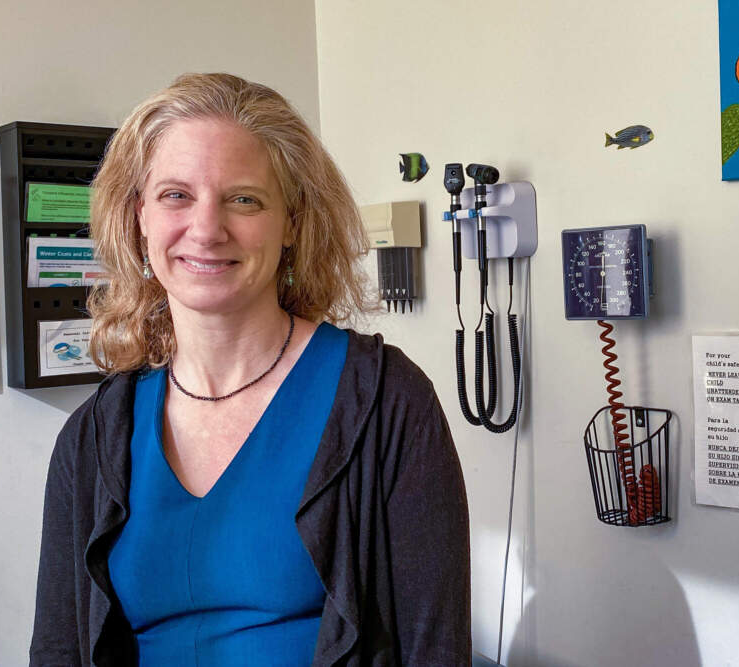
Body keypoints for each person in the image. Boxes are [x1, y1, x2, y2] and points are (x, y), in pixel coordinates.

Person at [29, 73, 471, 666]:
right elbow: (58, 650)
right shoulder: (92, 439)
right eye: (175, 195)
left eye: (244, 199)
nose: (207, 230)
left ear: (291, 221)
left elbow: (434, 648)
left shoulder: (385, 402)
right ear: (139, 218)